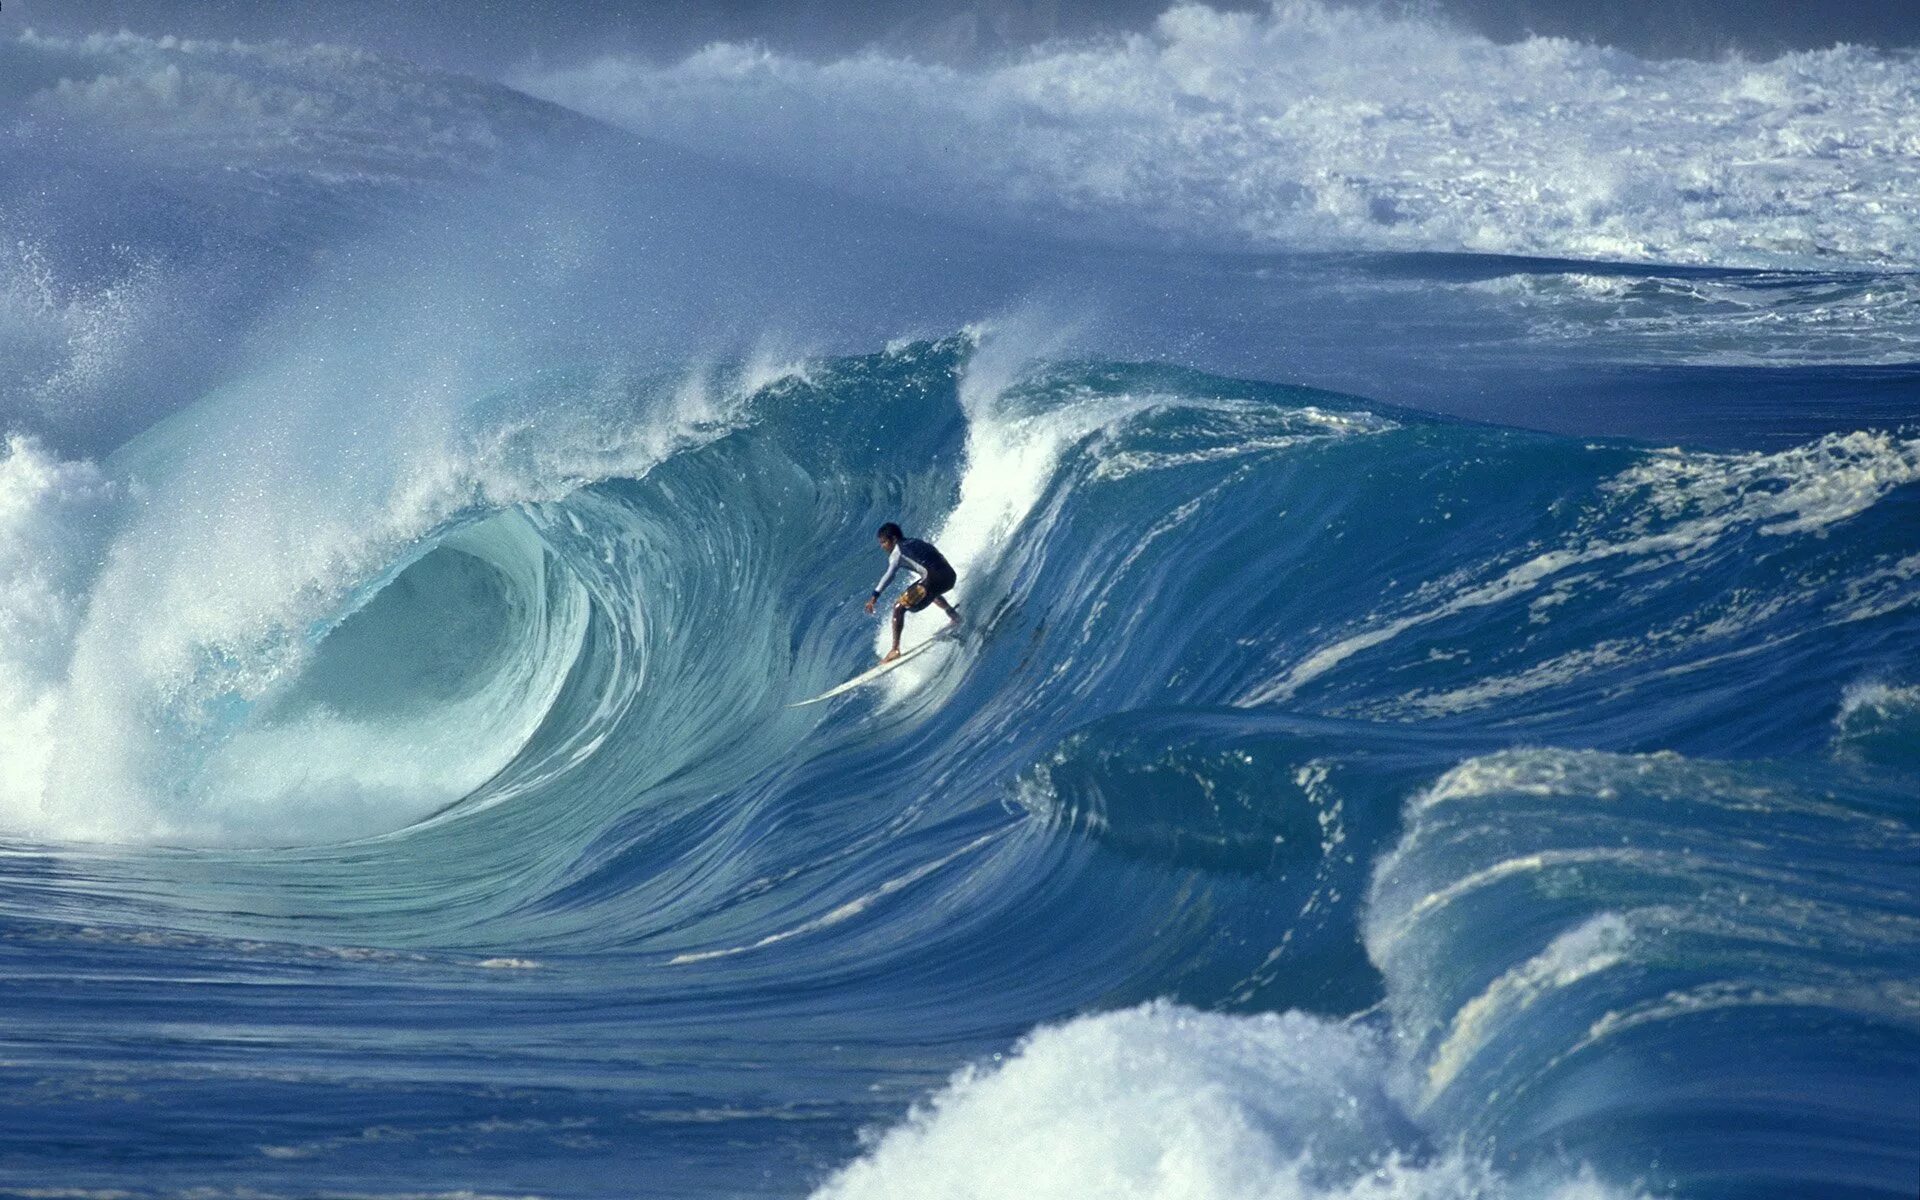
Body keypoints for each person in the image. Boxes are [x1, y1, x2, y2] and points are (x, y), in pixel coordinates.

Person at [863, 522, 960, 661]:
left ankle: (895, 650)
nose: (882, 546)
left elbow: (889, 575)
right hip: (950, 576)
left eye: (884, 542)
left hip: (935, 580)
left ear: (894, 539)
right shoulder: (915, 541)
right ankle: (954, 615)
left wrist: (874, 597)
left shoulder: (897, 553)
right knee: (927, 590)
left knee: (898, 607)